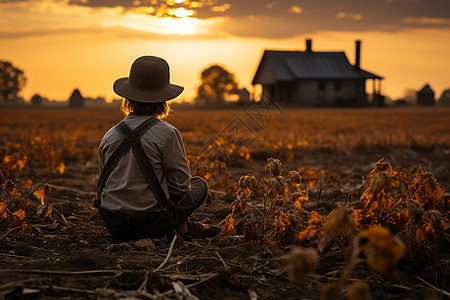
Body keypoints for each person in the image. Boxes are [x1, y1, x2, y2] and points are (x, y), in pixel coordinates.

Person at [96, 55, 220, 241]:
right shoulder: (167, 133)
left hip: (114, 223)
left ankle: (184, 227)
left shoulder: (109, 135)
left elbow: (105, 183)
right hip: (152, 223)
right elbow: (180, 188)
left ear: (128, 98)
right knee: (198, 186)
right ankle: (184, 228)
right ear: (163, 100)